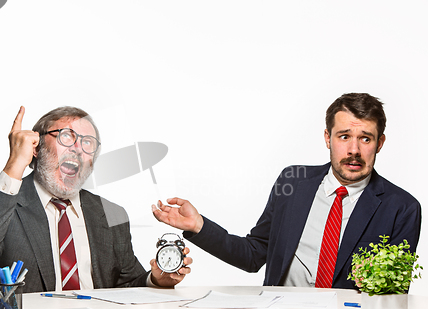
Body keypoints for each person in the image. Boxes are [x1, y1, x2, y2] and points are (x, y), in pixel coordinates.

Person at [152, 93, 421, 290]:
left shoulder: (401, 208)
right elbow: (254, 254)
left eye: (365, 138)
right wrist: (199, 226)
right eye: (344, 136)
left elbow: (393, 293)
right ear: (328, 138)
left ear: (380, 142)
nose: (354, 150)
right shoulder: (294, 183)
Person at [0, 106, 192, 296]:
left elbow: (128, 286)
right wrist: (15, 164)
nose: (78, 149)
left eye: (88, 143)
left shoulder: (111, 213)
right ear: (36, 147)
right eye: (66, 136)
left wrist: (156, 280)